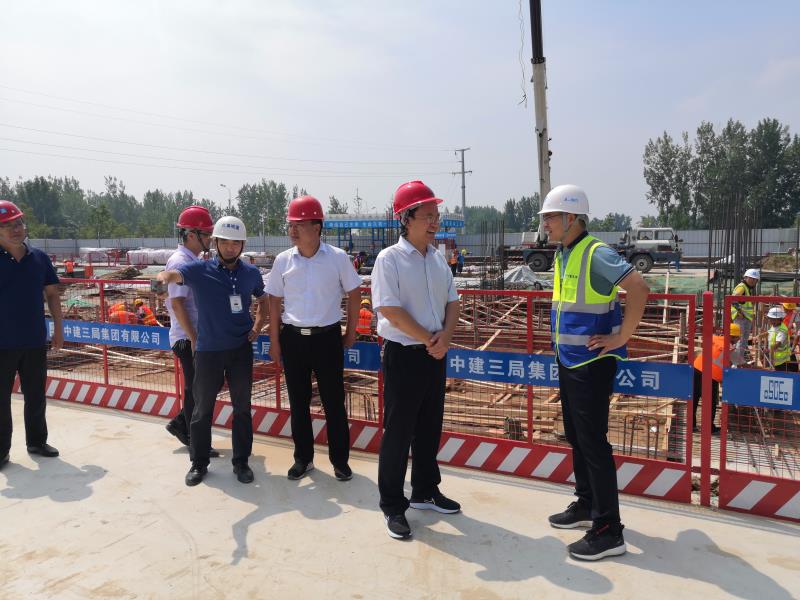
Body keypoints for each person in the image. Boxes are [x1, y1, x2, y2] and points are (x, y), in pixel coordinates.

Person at [540, 184, 649, 561]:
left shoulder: (595, 252)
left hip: (591, 363)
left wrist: (622, 337)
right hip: (570, 359)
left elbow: (638, 287)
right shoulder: (564, 253)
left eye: (550, 217)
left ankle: (608, 530)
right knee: (576, 435)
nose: (545, 224)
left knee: (593, 442)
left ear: (571, 217)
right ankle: (587, 503)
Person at [371, 180, 461, 540]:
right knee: (398, 431)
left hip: (435, 354)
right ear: (406, 219)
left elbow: (453, 302)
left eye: (437, 215)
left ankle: (425, 490)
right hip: (405, 355)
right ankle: (393, 505)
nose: (435, 221)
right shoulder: (389, 260)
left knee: (429, 426)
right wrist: (429, 339)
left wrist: (446, 337)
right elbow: (389, 310)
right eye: (428, 215)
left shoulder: (438, 260)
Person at [157, 215, 268, 487]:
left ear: (243, 246)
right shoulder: (199, 270)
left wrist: (257, 326)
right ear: (216, 242)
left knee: (242, 408)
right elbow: (174, 275)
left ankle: (241, 462)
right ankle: (199, 463)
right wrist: (162, 276)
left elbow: (264, 299)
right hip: (208, 351)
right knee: (202, 409)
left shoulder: (250, 273)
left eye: (236, 243)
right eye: (225, 242)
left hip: (240, 350)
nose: (231, 248)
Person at [267, 195, 361, 482]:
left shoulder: (337, 258)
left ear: (317, 227)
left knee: (334, 402)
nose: (292, 230)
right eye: (291, 225)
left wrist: (351, 330)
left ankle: (340, 462)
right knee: (298, 403)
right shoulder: (283, 260)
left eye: (299, 224)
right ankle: (303, 459)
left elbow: (355, 293)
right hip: (293, 339)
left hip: (327, 339)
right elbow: (274, 300)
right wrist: (274, 341)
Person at [0, 200, 64, 468]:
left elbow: (52, 294)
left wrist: (58, 328)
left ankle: (37, 441)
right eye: (7, 225)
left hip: (34, 339)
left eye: (18, 223)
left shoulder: (39, 258)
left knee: (36, 395)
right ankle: (2, 451)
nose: (16, 229)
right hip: (2, 343)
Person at [163, 205, 219, 457]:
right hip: (188, 338)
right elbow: (177, 303)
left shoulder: (193, 260)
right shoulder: (180, 262)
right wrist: (194, 338)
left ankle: (182, 424)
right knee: (197, 389)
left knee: (204, 386)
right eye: (207, 234)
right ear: (191, 234)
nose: (210, 239)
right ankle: (197, 442)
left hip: (197, 336)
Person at [691, 323, 741, 434]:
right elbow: (742, 365)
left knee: (693, 398)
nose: (738, 340)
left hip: (696, 368)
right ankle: (708, 428)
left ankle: (691, 425)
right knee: (710, 403)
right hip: (710, 375)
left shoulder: (714, 338)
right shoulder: (731, 349)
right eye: (737, 337)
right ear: (733, 337)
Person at [731, 268, 759, 362]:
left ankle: (738, 360)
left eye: (755, 279)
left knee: (743, 341)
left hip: (746, 318)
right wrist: (739, 312)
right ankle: (735, 362)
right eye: (751, 278)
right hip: (741, 318)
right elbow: (733, 299)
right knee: (740, 340)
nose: (753, 281)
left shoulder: (747, 288)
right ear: (745, 277)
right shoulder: (742, 287)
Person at [766, 306, 791, 371]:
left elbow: (778, 344)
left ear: (780, 319)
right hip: (775, 359)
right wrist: (759, 336)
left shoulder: (782, 330)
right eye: (771, 319)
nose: (772, 321)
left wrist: (770, 349)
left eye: (774, 319)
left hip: (782, 361)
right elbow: (769, 332)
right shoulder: (775, 326)